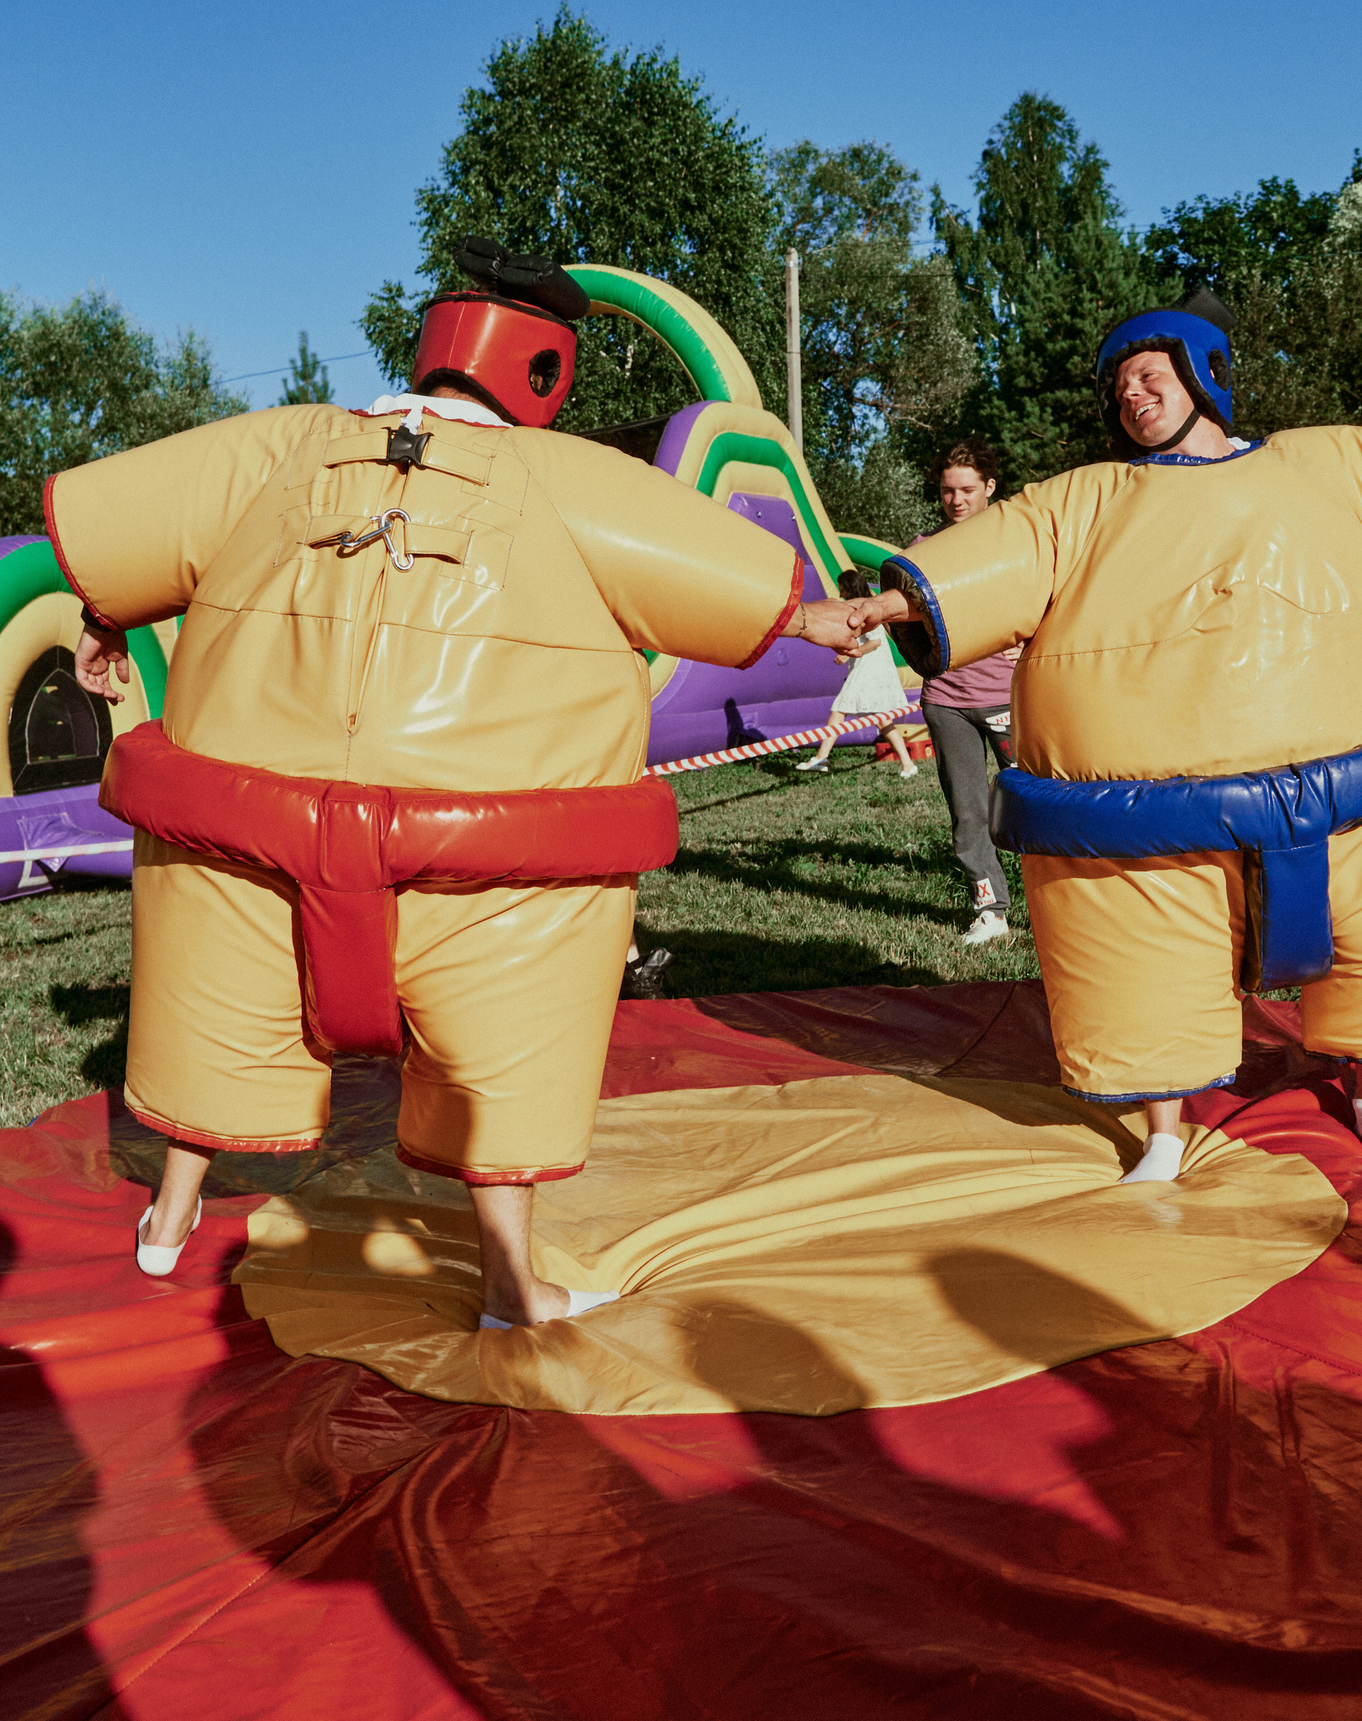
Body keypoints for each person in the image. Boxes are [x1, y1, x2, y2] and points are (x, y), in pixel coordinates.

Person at [58, 238, 864, 1326]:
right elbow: (750, 591)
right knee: (502, 1072)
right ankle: (509, 1287)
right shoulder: (568, 481)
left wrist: (102, 623)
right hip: (479, 861)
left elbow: (118, 542)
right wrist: (833, 618)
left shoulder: (284, 446)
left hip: (246, 832)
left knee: (216, 1036)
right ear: (546, 369)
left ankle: (166, 1222)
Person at [847, 288, 1362, 1182]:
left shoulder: (1331, 463)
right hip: (1155, 821)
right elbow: (1000, 558)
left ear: (1203, 376)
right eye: (1119, 386)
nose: (1132, 395)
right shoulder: (1090, 501)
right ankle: (1164, 1135)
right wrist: (873, 607)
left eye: (1150, 374)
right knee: (1150, 961)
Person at [909, 443, 1024, 946]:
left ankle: (1062, 902)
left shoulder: (1015, 541)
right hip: (947, 701)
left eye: (967, 490)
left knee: (1037, 803)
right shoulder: (924, 547)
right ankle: (990, 907)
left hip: (1008, 699)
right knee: (969, 811)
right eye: (947, 491)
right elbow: (906, 620)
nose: (956, 500)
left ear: (990, 489)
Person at [794, 571, 921, 778]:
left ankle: (821, 757)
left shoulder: (864, 607)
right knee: (881, 719)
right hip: (868, 666)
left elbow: (876, 641)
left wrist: (850, 655)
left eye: (842, 588)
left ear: (850, 587)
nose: (840, 592)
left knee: (840, 708)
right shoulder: (863, 603)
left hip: (869, 668)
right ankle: (908, 765)